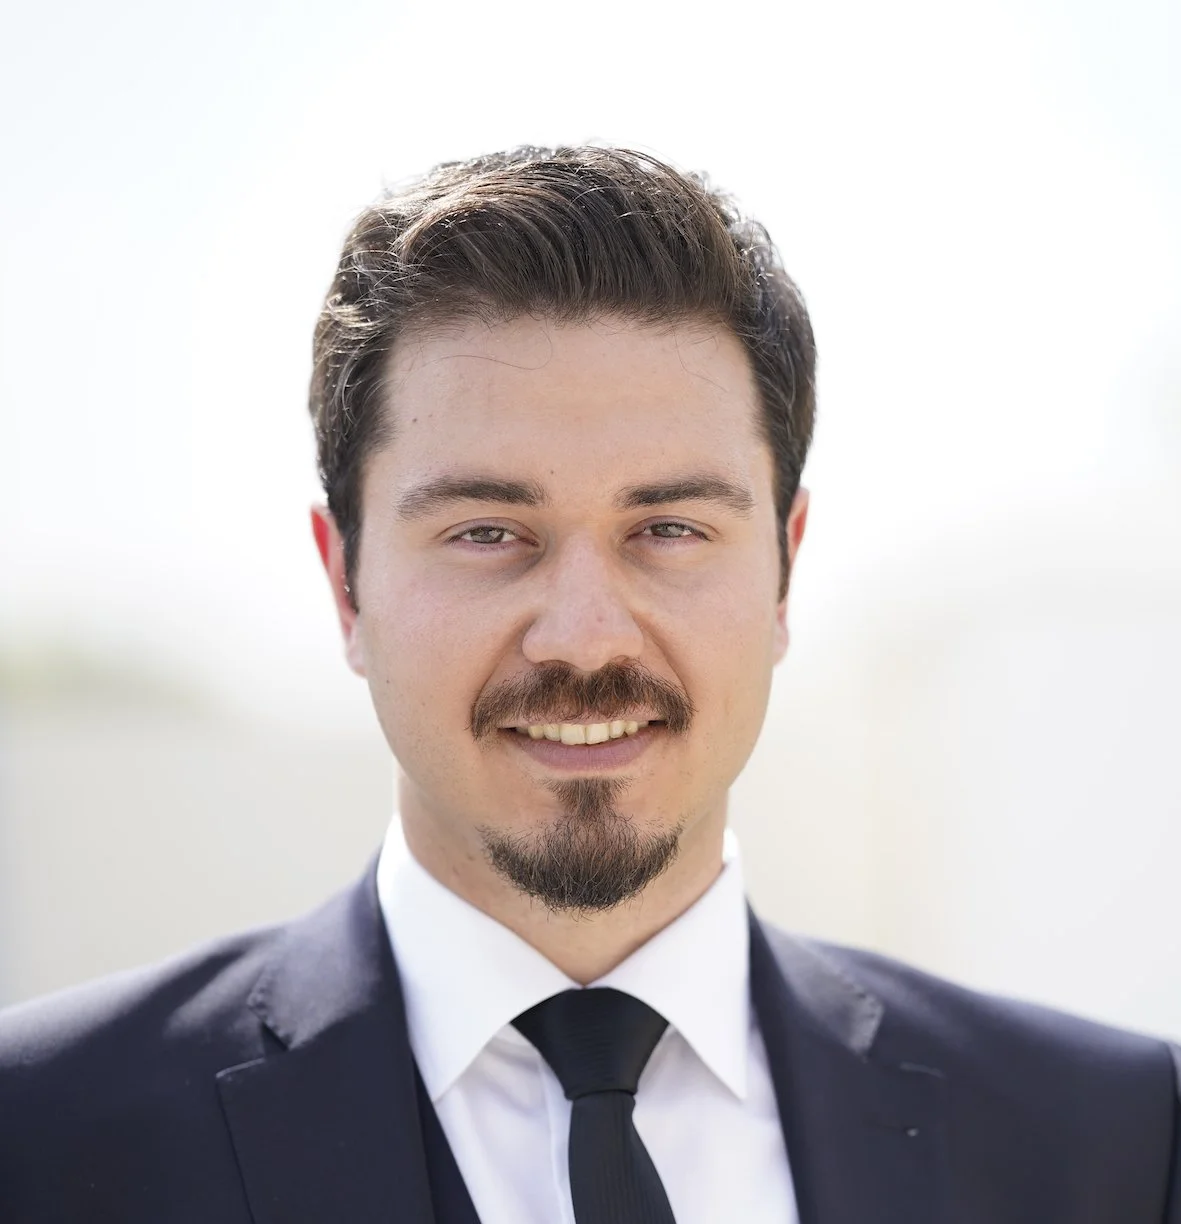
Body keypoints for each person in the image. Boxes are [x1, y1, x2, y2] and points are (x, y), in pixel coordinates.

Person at [0, 145, 1177, 1224]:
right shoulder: (40, 1139)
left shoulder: (1107, 1144)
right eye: (485, 532)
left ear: (783, 569)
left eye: (667, 529)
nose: (581, 638)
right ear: (344, 582)